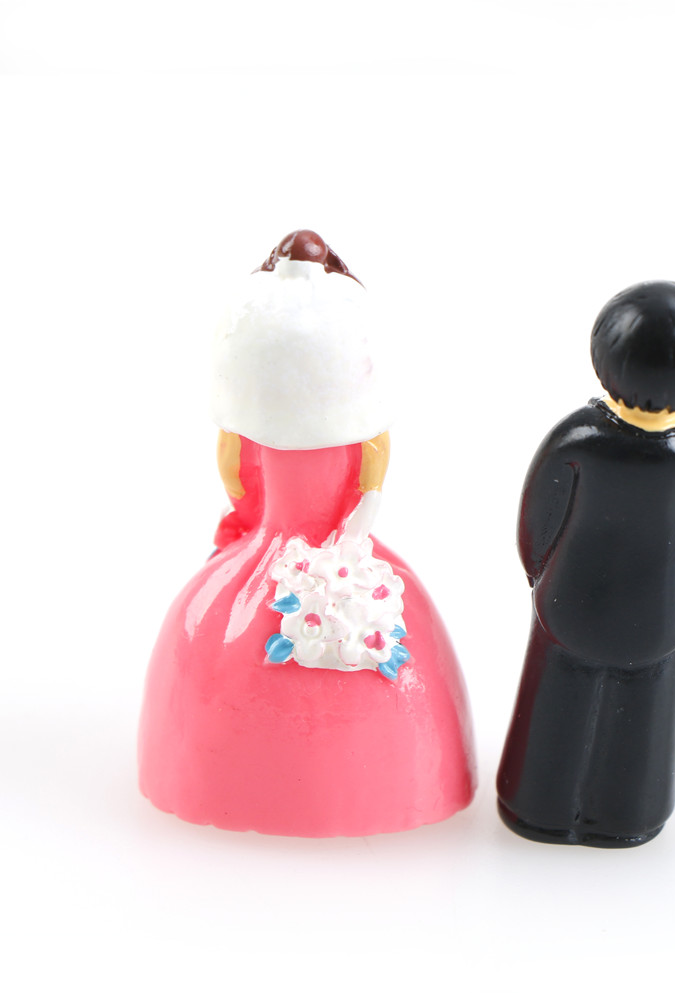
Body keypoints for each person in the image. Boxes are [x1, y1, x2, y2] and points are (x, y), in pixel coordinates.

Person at [139, 231, 476, 837]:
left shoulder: (244, 421)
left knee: (218, 639)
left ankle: (230, 779)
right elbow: (370, 486)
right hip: (345, 543)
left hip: (279, 541)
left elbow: (237, 480)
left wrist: (245, 523)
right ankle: (384, 784)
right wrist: (353, 537)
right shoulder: (367, 430)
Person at [497, 281, 675, 847]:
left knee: (556, 703)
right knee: (644, 713)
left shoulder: (578, 441)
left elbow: (537, 522)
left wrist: (541, 576)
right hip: (659, 612)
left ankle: (537, 803)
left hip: (570, 600)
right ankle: (629, 813)